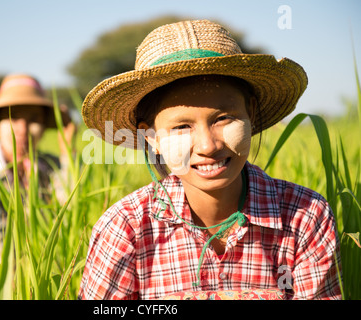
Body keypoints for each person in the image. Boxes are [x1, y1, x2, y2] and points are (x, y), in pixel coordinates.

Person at [78, 20, 342, 300]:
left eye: (223, 118)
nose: (208, 145)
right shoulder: (126, 228)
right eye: (182, 127)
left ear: (250, 113)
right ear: (152, 136)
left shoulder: (304, 216)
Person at [0, 73, 75, 256]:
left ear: (44, 128)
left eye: (34, 119)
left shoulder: (52, 166)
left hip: (45, 269)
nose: (22, 129)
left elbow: (71, 211)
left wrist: (68, 151)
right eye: (13, 117)